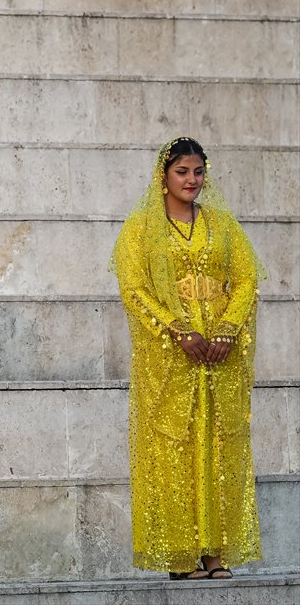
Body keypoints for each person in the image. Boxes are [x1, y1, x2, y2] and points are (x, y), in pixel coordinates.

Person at [111, 137, 263, 579]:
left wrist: (228, 328)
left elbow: (247, 279)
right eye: (182, 172)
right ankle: (179, 556)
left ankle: (216, 554)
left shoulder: (222, 225)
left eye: (198, 172)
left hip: (219, 353)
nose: (192, 180)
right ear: (163, 176)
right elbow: (134, 289)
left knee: (219, 447)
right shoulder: (141, 229)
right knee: (174, 448)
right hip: (171, 357)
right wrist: (177, 330)